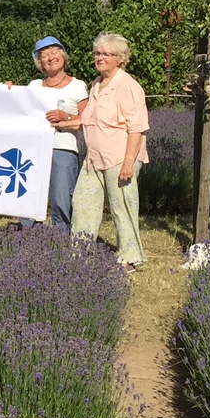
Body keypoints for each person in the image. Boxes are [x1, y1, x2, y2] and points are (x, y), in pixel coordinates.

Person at [72, 31, 149, 271]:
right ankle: (79, 255)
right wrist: (58, 121)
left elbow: (137, 128)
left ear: (121, 58)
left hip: (119, 159)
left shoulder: (128, 86)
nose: (100, 57)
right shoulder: (96, 84)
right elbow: (86, 120)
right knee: (82, 202)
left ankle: (131, 258)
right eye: (97, 53)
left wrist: (128, 163)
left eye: (106, 54)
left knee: (122, 208)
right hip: (93, 160)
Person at [25, 36, 87, 232]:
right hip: (34, 150)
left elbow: (87, 121)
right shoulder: (33, 86)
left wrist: (66, 117)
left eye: (54, 52)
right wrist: (9, 89)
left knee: (61, 198)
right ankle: (29, 239)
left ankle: (60, 241)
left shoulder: (78, 86)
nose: (50, 57)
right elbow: (18, 111)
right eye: (44, 55)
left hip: (64, 149)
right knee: (29, 196)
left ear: (63, 55)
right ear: (40, 63)